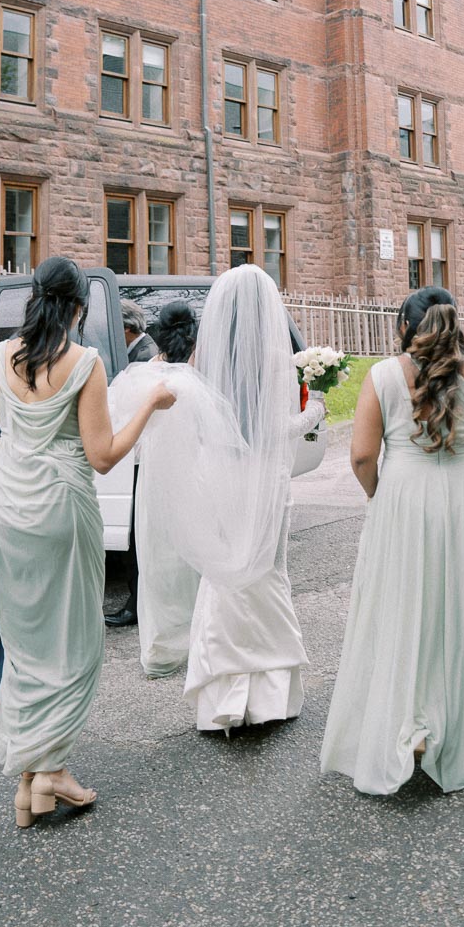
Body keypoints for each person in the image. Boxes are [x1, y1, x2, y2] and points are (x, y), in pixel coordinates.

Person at [0, 257, 175, 827]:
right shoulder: (85, 362)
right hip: (60, 503)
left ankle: (31, 780)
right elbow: (102, 456)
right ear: (79, 305)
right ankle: (50, 768)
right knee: (73, 639)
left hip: (7, 506)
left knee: (25, 642)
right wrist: (150, 405)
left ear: (33, 298)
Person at [320, 285, 464, 796]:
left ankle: (404, 721)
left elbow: (362, 457)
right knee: (458, 608)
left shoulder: (383, 375)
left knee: (401, 606)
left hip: (403, 497)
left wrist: (377, 497)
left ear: (405, 328)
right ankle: (454, 730)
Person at [182, 265, 325, 732]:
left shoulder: (204, 360)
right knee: (267, 571)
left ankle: (224, 694)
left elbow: (200, 426)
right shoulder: (276, 360)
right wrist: (318, 408)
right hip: (265, 479)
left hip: (221, 476)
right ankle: (269, 697)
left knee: (224, 573)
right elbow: (279, 430)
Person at [133, 300, 203, 676]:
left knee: (158, 555)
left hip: (158, 467)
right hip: (193, 465)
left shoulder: (149, 370)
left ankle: (161, 643)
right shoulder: (200, 369)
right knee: (194, 553)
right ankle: (200, 635)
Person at [104, 300, 159, 629]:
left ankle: (137, 603)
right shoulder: (141, 350)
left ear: (126, 329)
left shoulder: (143, 359)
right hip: (138, 454)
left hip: (142, 456)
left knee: (138, 536)